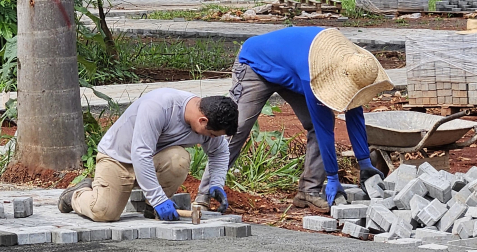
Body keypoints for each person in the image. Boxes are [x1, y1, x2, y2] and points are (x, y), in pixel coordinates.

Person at [196, 27, 392, 213]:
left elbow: (354, 113)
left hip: (291, 68)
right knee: (235, 127)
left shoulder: (353, 65)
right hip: (256, 64)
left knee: (315, 126)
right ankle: (204, 196)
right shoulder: (315, 73)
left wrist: (365, 162)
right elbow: (324, 126)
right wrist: (332, 176)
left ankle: (308, 191)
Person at [58, 89, 238, 222]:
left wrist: (216, 184)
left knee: (179, 159)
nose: (212, 139)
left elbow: (220, 152)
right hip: (118, 159)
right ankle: (76, 195)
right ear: (203, 120)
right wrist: (159, 198)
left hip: (151, 160)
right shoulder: (160, 106)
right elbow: (141, 153)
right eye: (213, 135)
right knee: (104, 212)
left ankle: (152, 209)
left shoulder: (207, 120)